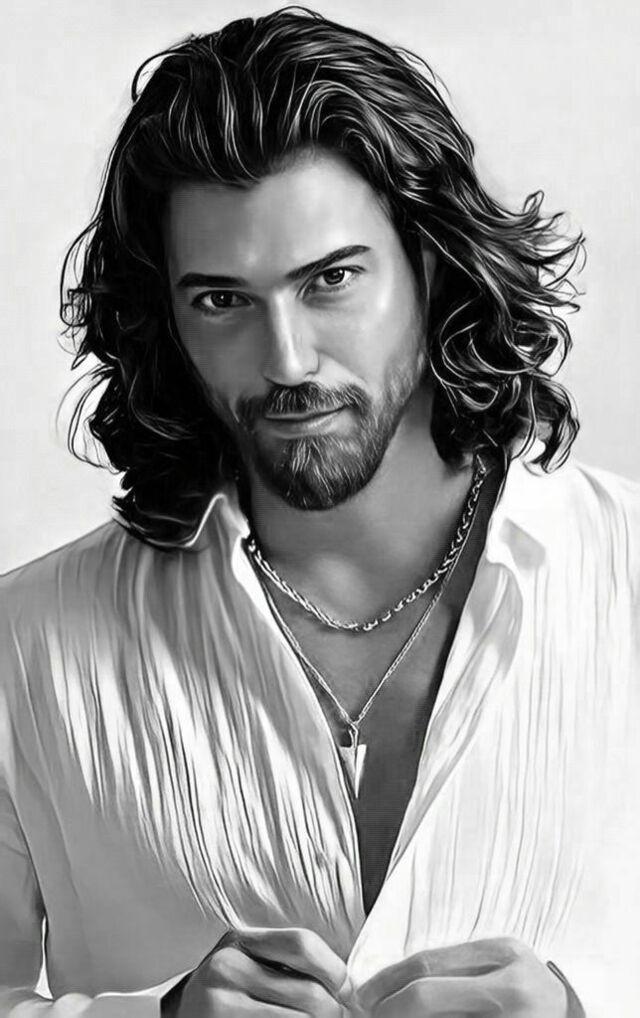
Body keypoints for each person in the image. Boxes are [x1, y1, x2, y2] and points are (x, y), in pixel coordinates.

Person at [1, 6, 638, 1016]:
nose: (287, 361)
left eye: (331, 280)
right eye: (222, 300)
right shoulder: (24, 648)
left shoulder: (626, 578)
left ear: (432, 266)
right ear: (167, 320)